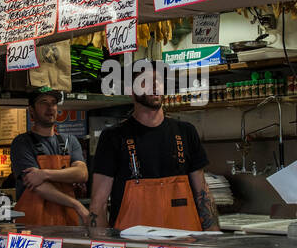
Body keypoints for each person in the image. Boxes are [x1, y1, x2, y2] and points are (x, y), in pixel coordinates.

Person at [89, 73, 219, 231]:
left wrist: (213, 237)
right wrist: (101, 247)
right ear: (131, 90)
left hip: (185, 245)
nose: (155, 85)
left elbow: (202, 193)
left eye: (159, 81)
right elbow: (99, 203)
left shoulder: (186, 132)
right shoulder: (113, 137)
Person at [10, 87, 90, 226]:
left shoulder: (69, 140)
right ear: (32, 110)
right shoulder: (22, 143)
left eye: (53, 103)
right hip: (33, 227)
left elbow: (82, 173)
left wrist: (44, 174)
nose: (50, 107)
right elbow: (38, 186)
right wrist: (75, 204)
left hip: (67, 224)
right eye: (43, 102)